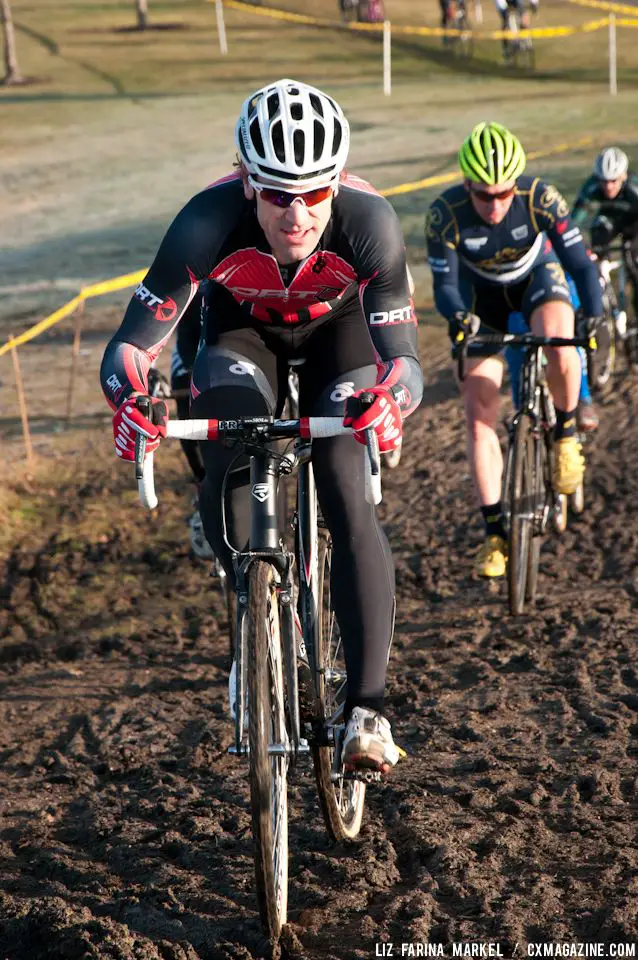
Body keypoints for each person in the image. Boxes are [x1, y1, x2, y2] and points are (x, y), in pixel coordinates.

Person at [100, 78, 423, 774]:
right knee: (230, 455)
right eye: (278, 193)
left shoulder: (369, 223)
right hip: (241, 335)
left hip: (341, 337)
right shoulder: (205, 221)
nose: (298, 213)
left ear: (338, 183)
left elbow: (402, 360)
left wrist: (390, 398)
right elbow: (131, 344)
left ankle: (367, 707)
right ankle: (254, 607)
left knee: (345, 485)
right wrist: (129, 398)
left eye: (314, 191)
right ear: (247, 183)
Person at [425, 121, 602, 578]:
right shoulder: (445, 213)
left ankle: (564, 435)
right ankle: (495, 535)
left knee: (562, 344)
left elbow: (580, 265)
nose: (496, 204)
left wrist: (595, 312)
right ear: (467, 185)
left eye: (505, 192)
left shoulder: (541, 198)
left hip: (535, 282)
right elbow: (444, 285)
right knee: (477, 411)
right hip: (479, 303)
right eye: (484, 195)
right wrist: (458, 317)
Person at [572, 147, 638, 325]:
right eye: (603, 181)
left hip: (634, 225)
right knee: (598, 229)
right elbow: (574, 220)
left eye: (613, 181)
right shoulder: (591, 186)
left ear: (623, 176)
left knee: (635, 260)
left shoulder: (634, 187)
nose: (608, 186)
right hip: (609, 222)